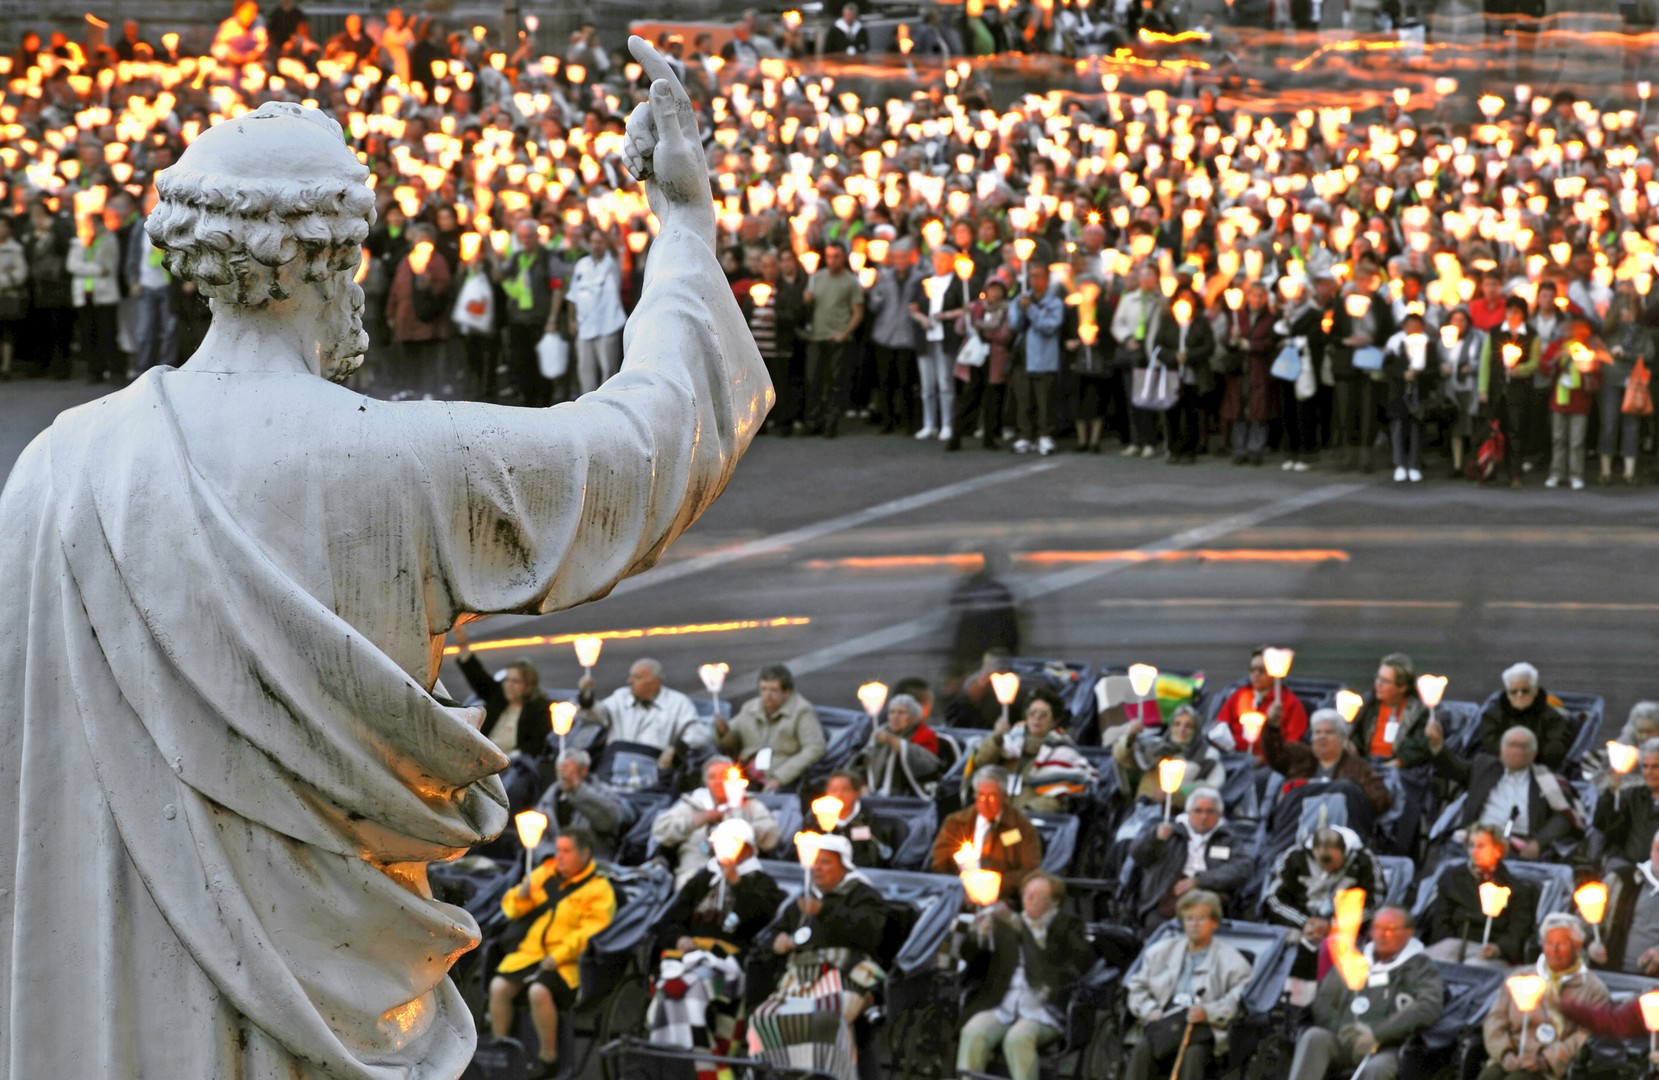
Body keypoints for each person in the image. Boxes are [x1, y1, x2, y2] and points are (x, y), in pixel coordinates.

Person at [0, 55, 771, 1072]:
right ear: (330, 261)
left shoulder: (58, 466)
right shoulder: (399, 461)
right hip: (329, 991)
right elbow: (646, 447)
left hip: (109, 1013)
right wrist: (684, 231)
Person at [645, 818, 786, 1064]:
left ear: (747, 849)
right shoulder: (702, 879)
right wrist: (679, 939)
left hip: (732, 965)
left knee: (686, 989)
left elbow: (763, 919)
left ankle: (703, 1062)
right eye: (720, 842)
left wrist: (735, 882)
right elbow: (669, 920)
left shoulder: (761, 884)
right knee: (670, 987)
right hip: (690, 958)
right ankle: (672, 1058)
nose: (724, 848)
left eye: (732, 843)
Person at [749, 835, 888, 1080]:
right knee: (765, 1016)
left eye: (825, 862)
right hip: (800, 977)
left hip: (846, 973)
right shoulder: (803, 898)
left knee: (825, 1017)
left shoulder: (863, 894)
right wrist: (777, 942)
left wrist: (825, 911)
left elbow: (870, 933)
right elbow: (771, 934)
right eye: (815, 861)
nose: (817, 868)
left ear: (843, 865)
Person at [489, 828, 617, 1080]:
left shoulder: (599, 890)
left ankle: (548, 1057)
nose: (559, 856)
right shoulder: (546, 874)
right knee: (498, 986)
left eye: (566, 851)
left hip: (567, 963)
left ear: (585, 853)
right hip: (531, 954)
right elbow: (511, 909)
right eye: (558, 850)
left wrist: (557, 956)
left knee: (539, 991)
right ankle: (500, 1050)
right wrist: (520, 896)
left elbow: (588, 934)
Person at [956, 873, 1092, 1080]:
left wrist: (1038, 942)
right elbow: (969, 955)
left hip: (1043, 1008)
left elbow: (1079, 965)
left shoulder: (1067, 926)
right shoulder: (1008, 923)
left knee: (1018, 1038)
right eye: (1027, 894)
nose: (1030, 900)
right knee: (973, 1032)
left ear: (1054, 901)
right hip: (1002, 1003)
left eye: (1037, 896)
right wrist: (977, 934)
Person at [1286, 907, 1443, 1080]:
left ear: (1408, 933)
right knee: (1314, 1037)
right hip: (1343, 1037)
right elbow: (1323, 1001)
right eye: (1377, 928)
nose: (1382, 935)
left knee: (1378, 1069)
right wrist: (1345, 1030)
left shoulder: (1420, 966)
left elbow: (1429, 1007)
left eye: (1390, 929)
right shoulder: (1355, 959)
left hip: (1387, 1046)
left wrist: (1376, 1033)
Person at [1123, 890, 1254, 1080]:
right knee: (1143, 1048)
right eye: (1189, 918)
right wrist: (1149, 1009)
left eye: (1200, 918)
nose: (1194, 925)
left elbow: (1239, 999)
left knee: (1194, 1054)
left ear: (1214, 923)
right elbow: (1136, 987)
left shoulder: (1232, 961)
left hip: (1203, 1027)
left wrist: (1208, 1012)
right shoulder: (1160, 952)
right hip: (1163, 1022)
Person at [1479, 913, 1608, 1080]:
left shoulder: (1594, 990)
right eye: (1549, 943)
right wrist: (1505, 1053)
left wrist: (1546, 1060)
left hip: (1552, 1068)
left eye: (1561, 944)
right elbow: (1495, 1019)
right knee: (1489, 1076)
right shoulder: (1519, 977)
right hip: (1512, 1055)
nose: (1554, 950)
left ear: (1577, 946)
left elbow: (1583, 1038)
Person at [1425, 724, 1584, 860]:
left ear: (1533, 753)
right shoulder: (1483, 766)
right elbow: (1453, 769)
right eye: (1511, 745)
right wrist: (1438, 747)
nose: (1516, 751)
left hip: (1518, 846)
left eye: (1523, 747)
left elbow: (1564, 816)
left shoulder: (1546, 778)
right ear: (1501, 749)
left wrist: (1537, 843)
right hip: (1476, 839)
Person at [1262, 826, 1383, 983]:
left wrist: (1333, 925)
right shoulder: (1294, 857)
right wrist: (1304, 923)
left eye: (1333, 863)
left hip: (1346, 928)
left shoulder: (1363, 860)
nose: (1327, 869)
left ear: (1343, 850)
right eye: (1321, 863)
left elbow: (1376, 903)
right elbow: (1273, 899)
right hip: (1300, 924)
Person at [1127, 787, 1256, 930]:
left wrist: (1200, 881)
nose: (1203, 817)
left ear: (1219, 815)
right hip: (1165, 898)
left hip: (1209, 895)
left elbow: (1242, 868)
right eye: (1198, 811)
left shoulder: (1227, 838)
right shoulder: (1169, 831)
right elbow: (1138, 856)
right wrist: (1155, 839)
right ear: (1188, 812)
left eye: (1210, 811)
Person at [1420, 823, 1540, 967]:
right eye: (1471, 846)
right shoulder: (1452, 878)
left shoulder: (1516, 888)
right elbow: (1440, 920)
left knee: (1475, 967)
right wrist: (1448, 944)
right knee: (1420, 964)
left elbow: (1518, 932)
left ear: (1498, 850)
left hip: (1489, 951)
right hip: (1453, 945)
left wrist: (1499, 948)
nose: (1474, 852)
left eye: (1481, 846)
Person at [653, 757, 784, 888]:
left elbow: (772, 834)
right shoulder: (693, 804)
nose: (718, 782)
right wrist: (699, 819)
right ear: (706, 782)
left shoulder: (749, 804)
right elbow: (660, 830)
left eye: (724, 776)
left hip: (741, 871)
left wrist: (741, 831)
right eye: (713, 777)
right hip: (696, 870)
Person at [969, 687, 1097, 813]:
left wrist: (1026, 813)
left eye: (1043, 715)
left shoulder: (1063, 751)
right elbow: (981, 764)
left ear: (1055, 721)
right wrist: (997, 738)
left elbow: (1057, 799)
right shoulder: (1009, 741)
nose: (1037, 718)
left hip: (1029, 820)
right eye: (1032, 713)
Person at [932, 767, 1044, 905]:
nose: (984, 802)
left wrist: (995, 884)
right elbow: (938, 863)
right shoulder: (955, 824)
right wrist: (963, 888)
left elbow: (1030, 870)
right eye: (980, 795)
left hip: (1004, 899)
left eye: (991, 796)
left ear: (1004, 796)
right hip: (957, 896)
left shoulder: (1021, 828)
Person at [578, 658, 707, 770]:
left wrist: (677, 748)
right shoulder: (620, 697)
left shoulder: (678, 703)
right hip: (616, 766)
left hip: (657, 769)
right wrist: (586, 699)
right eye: (631, 676)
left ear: (654, 682)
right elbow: (596, 715)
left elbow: (699, 734)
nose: (630, 681)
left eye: (637, 677)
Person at [1264, 709, 1395, 819]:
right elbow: (1275, 753)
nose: (1322, 737)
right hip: (1297, 822)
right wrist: (1272, 728)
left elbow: (1381, 800)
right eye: (1317, 732)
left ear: (1342, 738)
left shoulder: (1357, 766)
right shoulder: (1300, 757)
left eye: (1329, 732)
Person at [716, 663, 826, 791]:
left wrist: (780, 777)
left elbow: (815, 748)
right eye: (763, 689)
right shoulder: (750, 708)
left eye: (773, 690)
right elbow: (731, 740)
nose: (767, 695)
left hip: (781, 778)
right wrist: (723, 732)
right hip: (745, 774)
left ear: (787, 692)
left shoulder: (802, 712)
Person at [1112, 704, 1228, 810]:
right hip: (1143, 810)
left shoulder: (1207, 755)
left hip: (1180, 815)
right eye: (1177, 724)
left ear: (1196, 730)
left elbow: (1212, 787)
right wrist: (1130, 737)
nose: (1181, 730)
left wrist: (1175, 795)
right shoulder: (1155, 749)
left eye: (1188, 726)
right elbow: (1123, 758)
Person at [802, 241, 864, 438]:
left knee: (835, 382)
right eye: (828, 256)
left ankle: (831, 422)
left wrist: (844, 334)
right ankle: (814, 421)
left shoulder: (850, 281)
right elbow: (808, 304)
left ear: (843, 257)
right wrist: (807, 299)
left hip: (837, 338)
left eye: (836, 256)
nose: (832, 260)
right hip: (817, 336)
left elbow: (858, 312)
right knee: (814, 380)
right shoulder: (817, 277)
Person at [530, 749, 633, 860]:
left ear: (583, 771)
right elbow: (535, 835)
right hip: (554, 864)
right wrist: (548, 855)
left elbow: (610, 821)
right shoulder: (551, 795)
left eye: (569, 770)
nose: (563, 776)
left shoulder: (604, 793)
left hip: (592, 864)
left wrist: (578, 789)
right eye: (560, 770)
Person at [1211, 646, 1310, 758]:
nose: (1256, 674)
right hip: (1233, 756)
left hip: (1271, 763)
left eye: (1262, 670)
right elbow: (1219, 725)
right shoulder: (1239, 695)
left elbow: (1293, 743)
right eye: (1252, 669)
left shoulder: (1290, 702)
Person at [1009, 262, 1066, 455]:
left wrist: (1031, 309)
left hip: (1044, 360)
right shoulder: (1021, 298)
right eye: (1032, 276)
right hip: (1022, 359)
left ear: (1047, 280)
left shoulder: (1055, 303)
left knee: (1044, 402)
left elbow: (1049, 326)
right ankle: (1025, 435)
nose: (1034, 280)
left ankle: (1045, 436)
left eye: (1038, 276)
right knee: (1024, 401)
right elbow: (1015, 325)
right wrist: (1020, 308)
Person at [1476, 662, 1573, 769]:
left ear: (1535, 690)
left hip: (1541, 769)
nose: (1519, 695)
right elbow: (1491, 746)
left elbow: (1555, 749)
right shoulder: (1492, 716)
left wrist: (1522, 757)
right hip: (1501, 769)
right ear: (1507, 693)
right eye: (1513, 691)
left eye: (1525, 691)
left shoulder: (1553, 718)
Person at [1591, 828, 1659, 975]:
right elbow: (1581, 927)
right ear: (1651, 849)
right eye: (1658, 848)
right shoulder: (1621, 880)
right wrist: (1590, 947)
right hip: (1614, 975)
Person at [568, 227, 626, 397]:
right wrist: (571, 319)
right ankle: (586, 408)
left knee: (609, 371)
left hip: (607, 325)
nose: (596, 246)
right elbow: (573, 294)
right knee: (585, 370)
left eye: (600, 242)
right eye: (593, 241)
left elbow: (615, 251)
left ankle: (609, 405)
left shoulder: (613, 263)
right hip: (584, 326)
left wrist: (603, 224)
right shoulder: (582, 264)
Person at [67, 206, 122, 384]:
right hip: (84, 294)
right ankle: (94, 370)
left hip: (105, 293)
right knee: (88, 334)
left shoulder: (108, 239)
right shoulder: (78, 241)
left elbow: (111, 265)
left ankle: (113, 369)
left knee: (108, 333)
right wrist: (96, 270)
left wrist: (90, 268)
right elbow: (72, 265)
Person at [1349, 652, 1433, 767]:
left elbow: (1417, 748)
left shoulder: (1419, 712)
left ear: (1403, 687)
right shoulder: (1368, 704)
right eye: (1378, 677)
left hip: (1400, 770)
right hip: (1366, 764)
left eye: (1386, 681)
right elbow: (1356, 738)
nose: (1378, 684)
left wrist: (1391, 766)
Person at [859, 692, 944, 797]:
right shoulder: (881, 733)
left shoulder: (925, 735)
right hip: (877, 793)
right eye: (892, 712)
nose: (895, 717)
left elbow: (928, 765)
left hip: (908, 796)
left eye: (901, 713)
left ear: (914, 718)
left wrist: (898, 744)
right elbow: (864, 762)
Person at [820, 771, 907, 868]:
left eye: (845, 790)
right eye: (834, 790)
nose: (839, 795)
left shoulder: (867, 819)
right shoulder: (815, 818)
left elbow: (874, 855)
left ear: (857, 793)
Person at [1595, 738, 1659, 869]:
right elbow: (1602, 824)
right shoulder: (1631, 796)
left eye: (1655, 767)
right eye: (1645, 766)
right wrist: (1611, 792)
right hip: (1628, 869)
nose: (1649, 772)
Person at [213, 0, 268, 66]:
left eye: (253, 12)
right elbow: (218, 48)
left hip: (251, 64)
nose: (250, 16)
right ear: (239, 12)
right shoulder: (229, 26)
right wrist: (232, 56)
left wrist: (255, 54)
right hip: (230, 64)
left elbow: (263, 44)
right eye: (247, 12)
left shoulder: (258, 25)